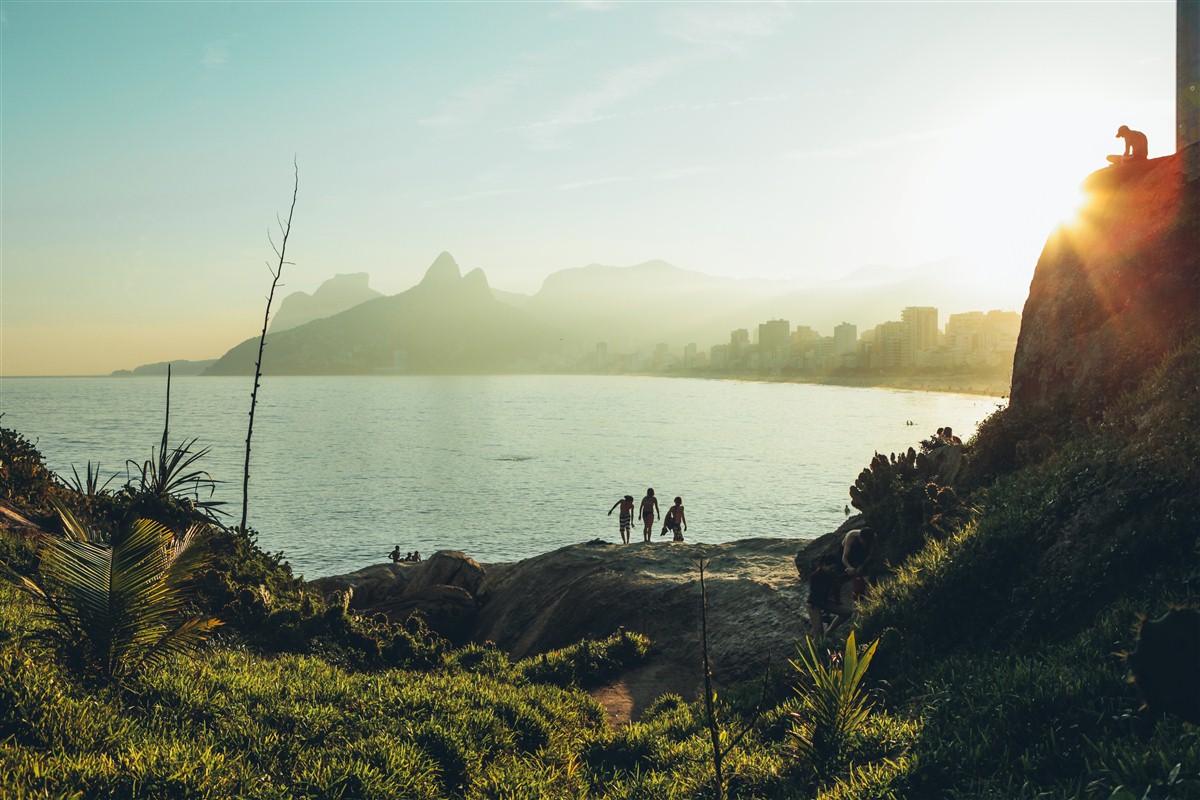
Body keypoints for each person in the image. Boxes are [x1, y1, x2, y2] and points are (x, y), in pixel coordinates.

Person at [805, 553, 855, 640]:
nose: (832, 570)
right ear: (823, 565)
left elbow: (838, 579)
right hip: (814, 604)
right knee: (819, 635)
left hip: (825, 602)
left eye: (834, 568)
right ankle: (814, 652)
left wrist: (848, 574)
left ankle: (829, 631)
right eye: (831, 568)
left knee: (847, 612)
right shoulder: (815, 576)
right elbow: (817, 594)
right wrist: (824, 613)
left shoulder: (831, 574)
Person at [841, 526, 877, 600]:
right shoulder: (851, 536)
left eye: (867, 543)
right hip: (849, 550)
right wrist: (849, 567)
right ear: (860, 538)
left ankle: (872, 592)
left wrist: (862, 566)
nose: (864, 544)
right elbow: (844, 557)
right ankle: (858, 592)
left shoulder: (873, 537)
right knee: (854, 571)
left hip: (863, 551)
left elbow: (871, 554)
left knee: (872, 568)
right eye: (863, 542)